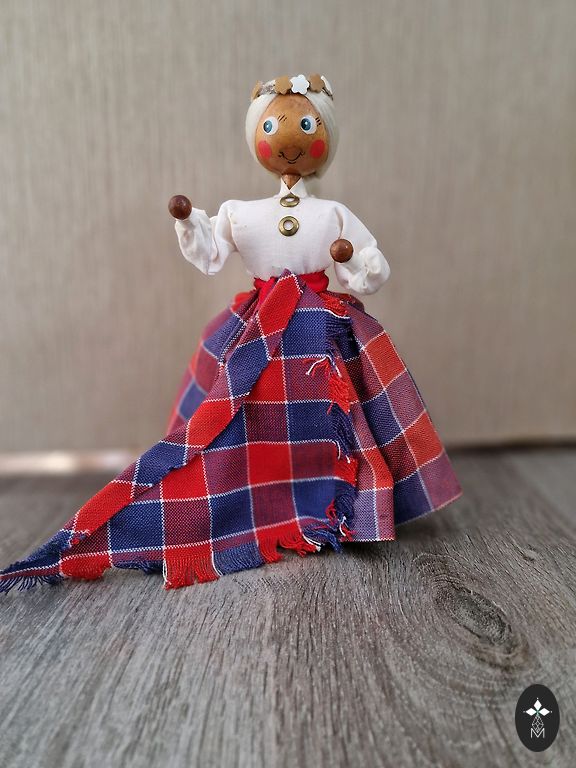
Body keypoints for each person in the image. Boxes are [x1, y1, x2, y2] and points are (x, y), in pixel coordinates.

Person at [0, 74, 461, 594]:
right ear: (256, 138)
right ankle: (254, 495)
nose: (290, 140)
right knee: (236, 405)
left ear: (326, 138)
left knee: (340, 407)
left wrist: (354, 258)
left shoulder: (333, 214)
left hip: (317, 325)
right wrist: (189, 223)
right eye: (274, 128)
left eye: (307, 127)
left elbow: (369, 268)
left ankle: (337, 502)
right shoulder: (243, 213)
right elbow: (211, 251)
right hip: (258, 323)